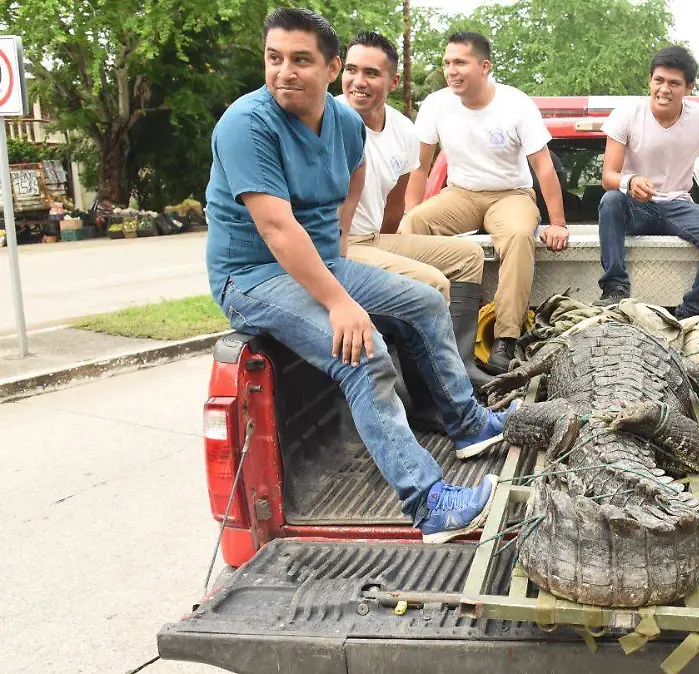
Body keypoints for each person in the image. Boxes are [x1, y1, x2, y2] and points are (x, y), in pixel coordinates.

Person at [205, 8, 512, 544]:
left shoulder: (345, 123)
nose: (284, 72)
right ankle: (430, 503)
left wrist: (339, 245)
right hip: (252, 276)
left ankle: (467, 425)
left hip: (320, 262)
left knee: (425, 301)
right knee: (362, 352)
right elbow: (277, 229)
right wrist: (340, 301)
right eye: (274, 58)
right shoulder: (246, 125)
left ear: (330, 69)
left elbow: (355, 174)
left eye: (301, 60)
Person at [402, 31, 569, 376]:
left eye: (460, 62)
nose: (451, 70)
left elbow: (544, 167)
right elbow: (419, 168)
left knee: (519, 235)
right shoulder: (435, 104)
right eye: (447, 63)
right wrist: (409, 211)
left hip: (511, 194)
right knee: (413, 224)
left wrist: (558, 223)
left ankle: (505, 339)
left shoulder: (516, 104)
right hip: (460, 194)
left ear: (484, 66)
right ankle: (412, 321)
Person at [335, 31, 491, 389]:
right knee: (431, 281)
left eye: (371, 73)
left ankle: (461, 365)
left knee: (468, 256)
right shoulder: (327, 120)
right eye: (352, 70)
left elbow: (395, 203)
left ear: (392, 82)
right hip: (337, 245)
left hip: (372, 239)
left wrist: (391, 253)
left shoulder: (404, 129)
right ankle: (431, 390)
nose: (358, 82)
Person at [596, 45, 699, 319]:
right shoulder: (626, 114)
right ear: (649, 80)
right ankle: (615, 289)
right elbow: (608, 178)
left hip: (678, 205)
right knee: (611, 200)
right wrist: (630, 181)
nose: (664, 89)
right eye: (659, 80)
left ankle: (690, 312)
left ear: (689, 87)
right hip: (636, 205)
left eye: (674, 83)